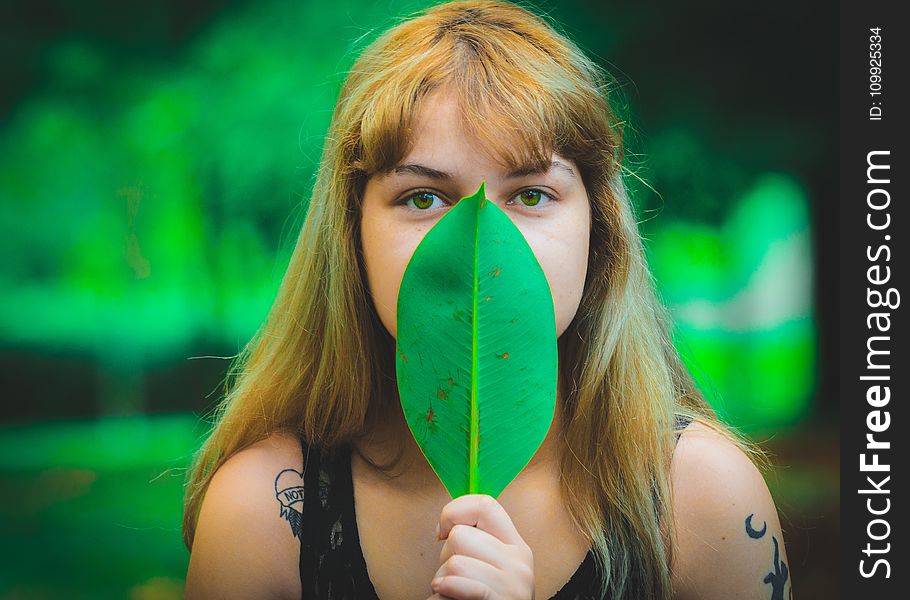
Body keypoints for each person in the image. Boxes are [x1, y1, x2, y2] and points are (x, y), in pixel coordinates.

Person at [182, 1, 792, 598]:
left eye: (530, 194)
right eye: (423, 198)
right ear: (351, 233)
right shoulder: (261, 514)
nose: (482, 247)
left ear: (596, 227)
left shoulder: (704, 500)